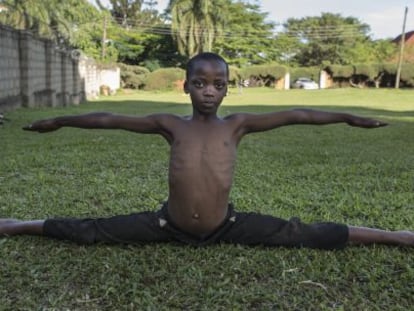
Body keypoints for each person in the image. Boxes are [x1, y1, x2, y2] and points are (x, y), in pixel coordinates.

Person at [1, 52, 413, 249]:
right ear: (187, 86)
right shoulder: (170, 125)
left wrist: (349, 117)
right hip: (167, 225)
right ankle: (18, 224)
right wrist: (61, 121)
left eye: (218, 84)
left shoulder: (238, 125)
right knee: (91, 231)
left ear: (227, 88)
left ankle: (396, 236)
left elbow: (299, 113)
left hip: (226, 226)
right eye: (200, 83)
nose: (209, 92)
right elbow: (109, 119)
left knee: (301, 233)